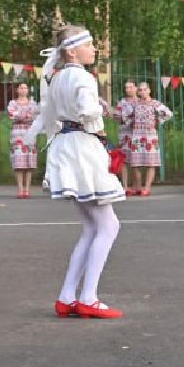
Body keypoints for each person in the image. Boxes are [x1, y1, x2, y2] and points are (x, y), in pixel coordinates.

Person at [28, 24, 126, 319]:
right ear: (72, 50)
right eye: (89, 45)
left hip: (66, 146)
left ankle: (68, 296)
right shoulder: (82, 76)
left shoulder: (56, 77)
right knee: (108, 226)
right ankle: (88, 297)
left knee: (92, 227)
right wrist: (98, 111)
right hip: (82, 149)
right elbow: (86, 111)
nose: (94, 49)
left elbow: (50, 113)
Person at [124, 81, 173, 196]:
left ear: (149, 90)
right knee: (136, 163)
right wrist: (132, 124)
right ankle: (139, 187)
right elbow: (126, 116)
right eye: (140, 90)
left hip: (150, 136)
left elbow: (168, 114)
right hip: (137, 135)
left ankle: (147, 188)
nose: (142, 92)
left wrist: (158, 120)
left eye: (145, 89)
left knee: (151, 163)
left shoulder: (155, 103)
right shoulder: (135, 104)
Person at [6, 82, 39, 199]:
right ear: (17, 90)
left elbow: (34, 115)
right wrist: (25, 115)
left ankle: (27, 189)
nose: (24, 89)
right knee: (19, 163)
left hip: (30, 133)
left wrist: (21, 115)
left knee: (29, 163)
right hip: (17, 134)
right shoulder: (12, 103)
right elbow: (12, 115)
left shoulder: (32, 103)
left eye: (25, 87)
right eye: (21, 87)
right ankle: (20, 189)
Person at [113, 79, 138, 191]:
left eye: (130, 87)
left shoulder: (140, 102)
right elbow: (116, 117)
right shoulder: (122, 103)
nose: (128, 90)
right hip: (124, 133)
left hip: (137, 134)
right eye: (126, 87)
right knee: (124, 160)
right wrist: (121, 117)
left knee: (135, 161)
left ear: (136, 88)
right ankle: (125, 186)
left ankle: (135, 186)